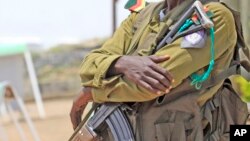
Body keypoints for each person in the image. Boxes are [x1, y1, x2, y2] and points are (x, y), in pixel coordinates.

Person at [70, 0, 248, 140]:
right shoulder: (142, 16)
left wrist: (92, 91)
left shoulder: (214, 16)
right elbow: (89, 65)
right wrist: (122, 62)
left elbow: (153, 84)